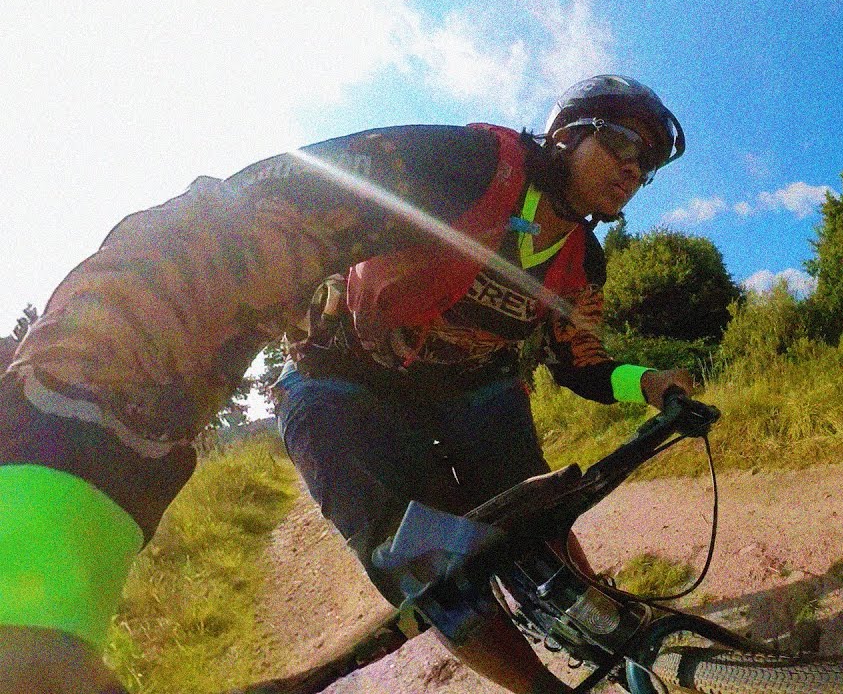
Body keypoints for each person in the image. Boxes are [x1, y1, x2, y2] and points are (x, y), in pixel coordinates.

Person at [0, 75, 693, 694]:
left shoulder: (585, 262)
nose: (634, 170)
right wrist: (64, 439)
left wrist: (649, 382)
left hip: (471, 389)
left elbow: (580, 363)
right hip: (340, 378)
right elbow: (237, 227)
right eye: (623, 143)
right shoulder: (465, 166)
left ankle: (594, 607)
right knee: (412, 552)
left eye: (649, 165)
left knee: (536, 497)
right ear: (568, 133)